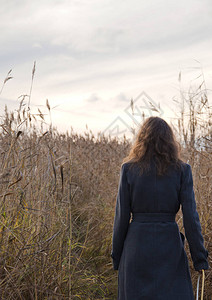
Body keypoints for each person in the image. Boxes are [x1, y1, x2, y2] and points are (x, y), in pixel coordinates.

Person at [111, 116, 209, 300]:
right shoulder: (182, 170)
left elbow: (121, 218)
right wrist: (200, 259)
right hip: (169, 247)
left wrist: (117, 257)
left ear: (142, 139)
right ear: (170, 141)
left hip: (136, 247)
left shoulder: (129, 169)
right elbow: (191, 218)